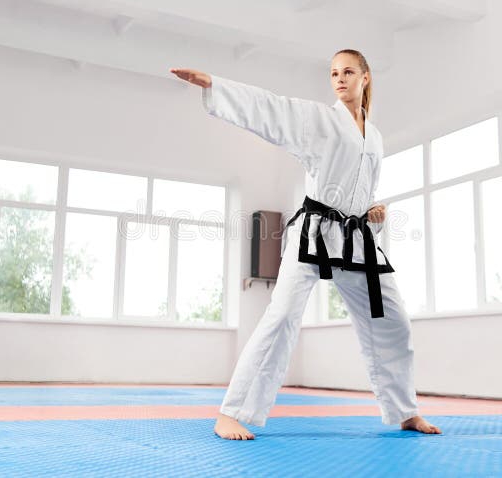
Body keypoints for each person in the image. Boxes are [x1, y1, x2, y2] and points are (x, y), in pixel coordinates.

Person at [170, 49, 442, 441]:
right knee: (280, 318)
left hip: (354, 239)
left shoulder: (375, 136)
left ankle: (404, 410)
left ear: (365, 77)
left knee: (393, 320)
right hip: (313, 234)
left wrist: (373, 211)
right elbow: (272, 109)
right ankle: (232, 412)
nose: (340, 79)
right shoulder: (319, 120)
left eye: (348, 72)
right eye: (334, 73)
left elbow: (359, 192)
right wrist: (217, 86)